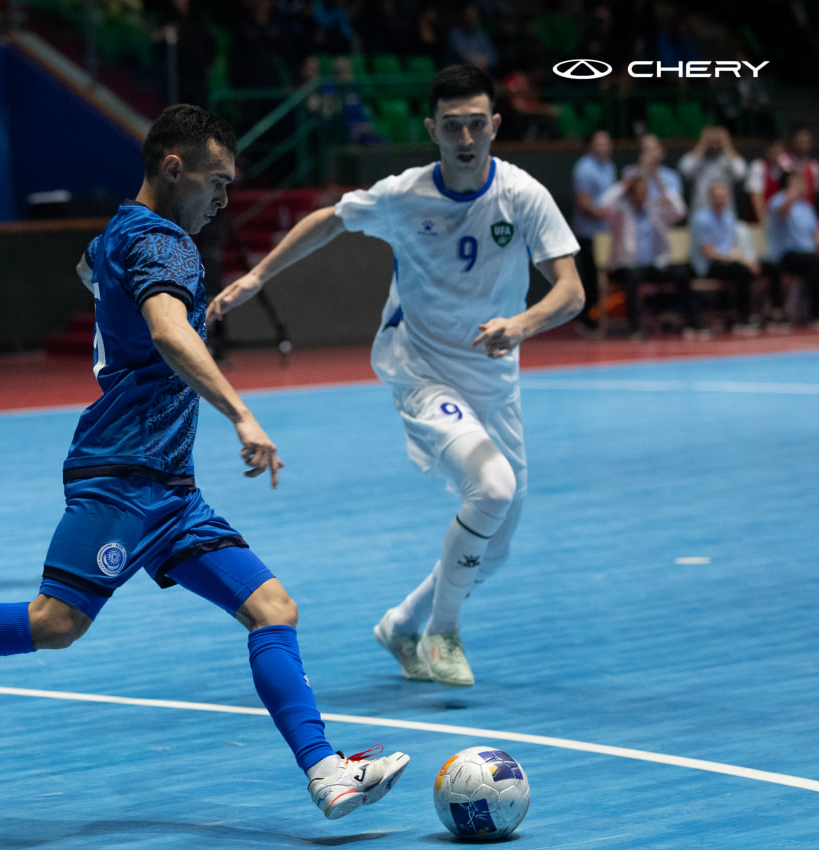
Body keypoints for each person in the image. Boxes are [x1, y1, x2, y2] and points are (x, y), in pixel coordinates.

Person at [0, 104, 411, 820]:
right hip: (121, 476)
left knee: (273, 607)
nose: (223, 199)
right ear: (173, 168)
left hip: (172, 489)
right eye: (216, 183)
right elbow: (163, 330)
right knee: (55, 621)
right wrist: (241, 412)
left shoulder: (118, 232)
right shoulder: (170, 246)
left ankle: (324, 771)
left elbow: (94, 272)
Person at [209, 65, 584, 688]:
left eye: (476, 125)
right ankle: (443, 633)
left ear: (494, 126)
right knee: (489, 489)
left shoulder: (522, 196)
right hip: (422, 372)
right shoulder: (404, 195)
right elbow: (328, 219)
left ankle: (403, 624)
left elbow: (570, 292)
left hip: (495, 381)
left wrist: (520, 325)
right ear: (432, 129)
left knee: (496, 546)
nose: (466, 139)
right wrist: (257, 276)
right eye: (453, 126)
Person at [601, 174, 700, 337]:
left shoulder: (655, 211)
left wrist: (659, 184)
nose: (642, 196)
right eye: (637, 192)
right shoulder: (619, 213)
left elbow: (679, 211)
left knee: (682, 272)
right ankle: (635, 329)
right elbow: (604, 204)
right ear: (630, 194)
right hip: (626, 265)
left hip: (653, 266)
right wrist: (623, 185)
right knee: (633, 276)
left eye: (644, 192)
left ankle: (691, 325)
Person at [690, 180, 760, 329]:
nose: (720, 200)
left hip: (727, 262)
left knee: (750, 268)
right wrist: (737, 259)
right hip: (706, 266)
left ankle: (735, 314)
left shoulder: (729, 218)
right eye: (716, 196)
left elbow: (732, 248)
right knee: (740, 270)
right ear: (710, 198)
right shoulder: (701, 219)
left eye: (723, 196)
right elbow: (709, 253)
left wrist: (747, 259)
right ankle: (743, 316)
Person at [570, 130, 617, 331]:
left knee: (602, 278)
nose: (605, 147)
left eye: (607, 143)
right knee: (590, 277)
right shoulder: (584, 168)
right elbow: (583, 203)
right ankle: (586, 319)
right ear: (590, 146)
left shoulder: (610, 167)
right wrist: (605, 214)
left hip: (606, 233)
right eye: (600, 143)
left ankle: (598, 317)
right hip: (588, 232)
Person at [764, 169, 819, 324]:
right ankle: (815, 314)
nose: (806, 184)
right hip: (784, 256)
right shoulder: (777, 201)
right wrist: (793, 193)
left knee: (814, 260)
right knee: (814, 262)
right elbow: (782, 213)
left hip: (808, 256)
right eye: (800, 181)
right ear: (790, 183)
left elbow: (815, 235)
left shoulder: (807, 207)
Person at [678, 125, 747, 213]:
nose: (714, 145)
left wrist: (727, 145)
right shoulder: (697, 157)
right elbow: (685, 170)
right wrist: (702, 144)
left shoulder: (729, 158)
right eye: (711, 141)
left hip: (725, 211)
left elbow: (740, 173)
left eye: (717, 142)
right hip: (700, 209)